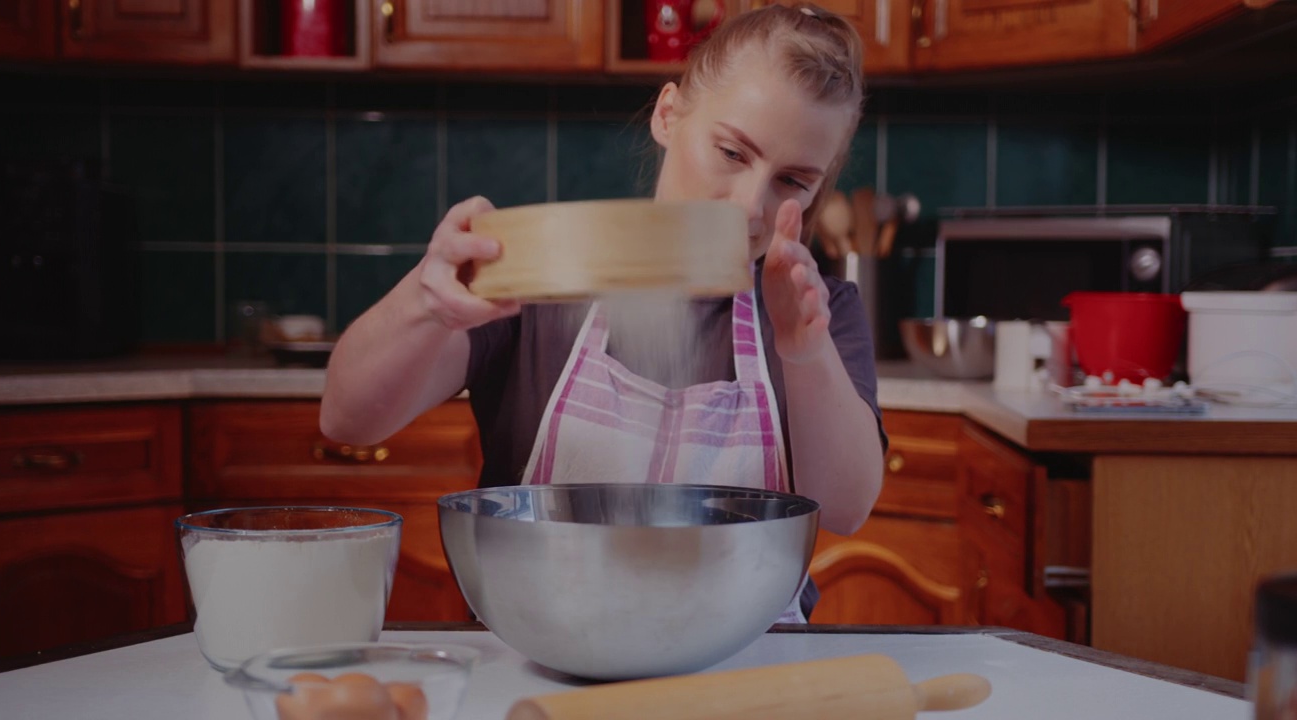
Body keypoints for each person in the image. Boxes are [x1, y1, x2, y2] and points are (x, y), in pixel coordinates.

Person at [320, 3, 887, 622]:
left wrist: (803, 350)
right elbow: (349, 418)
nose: (751, 206)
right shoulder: (543, 278)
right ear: (669, 114)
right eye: (730, 152)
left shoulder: (818, 314)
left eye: (793, 181)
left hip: (745, 675)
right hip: (539, 665)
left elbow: (844, 507)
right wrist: (427, 301)